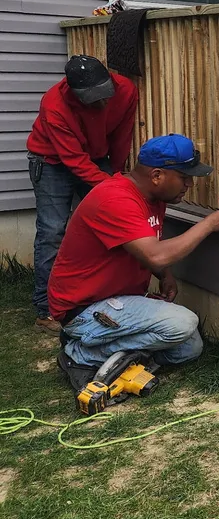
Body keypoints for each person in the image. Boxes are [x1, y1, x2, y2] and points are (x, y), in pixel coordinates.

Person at [48, 134, 219, 370]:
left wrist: (164, 275)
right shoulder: (116, 199)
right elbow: (155, 254)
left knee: (189, 348)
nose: (190, 184)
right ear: (157, 176)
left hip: (119, 300)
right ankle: (80, 353)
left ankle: (121, 356)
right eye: (184, 177)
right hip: (85, 308)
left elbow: (147, 245)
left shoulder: (154, 197)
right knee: (183, 322)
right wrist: (209, 224)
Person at [26, 55, 139, 332]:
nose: (102, 103)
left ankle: (94, 294)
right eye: (93, 99)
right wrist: (110, 185)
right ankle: (46, 310)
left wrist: (115, 175)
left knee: (107, 222)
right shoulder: (54, 104)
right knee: (53, 231)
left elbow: (122, 137)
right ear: (74, 93)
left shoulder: (125, 90)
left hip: (97, 156)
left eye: (105, 95)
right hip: (52, 160)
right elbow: (73, 159)